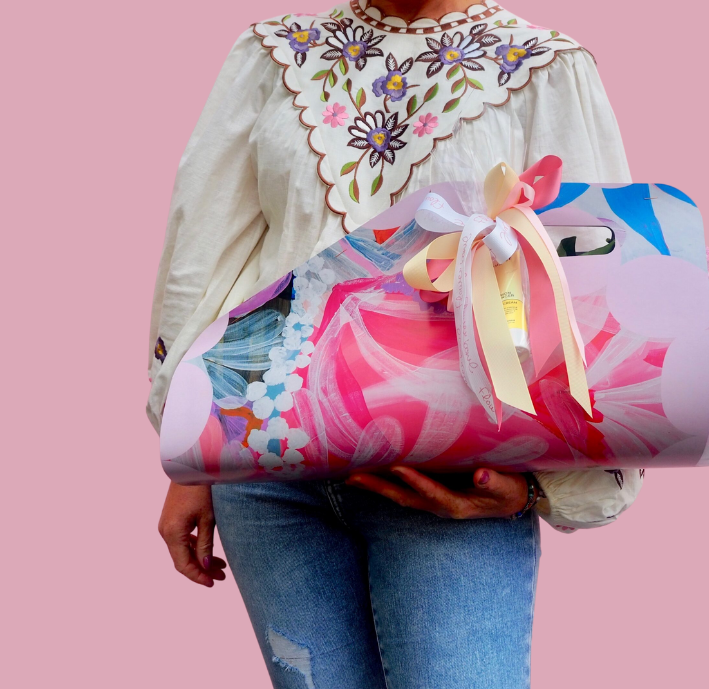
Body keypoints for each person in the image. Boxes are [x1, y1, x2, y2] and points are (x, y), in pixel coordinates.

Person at [148, 1, 641, 685]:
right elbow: (205, 254)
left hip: (451, 474)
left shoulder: (544, 68)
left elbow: (594, 285)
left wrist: (546, 489)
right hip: (269, 470)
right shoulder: (274, 56)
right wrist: (187, 453)